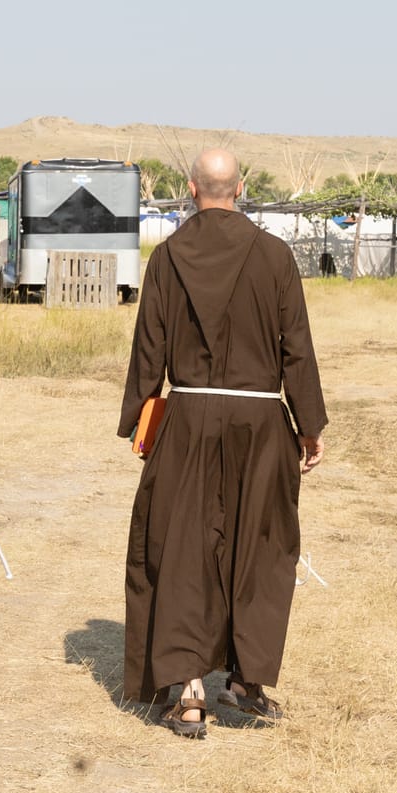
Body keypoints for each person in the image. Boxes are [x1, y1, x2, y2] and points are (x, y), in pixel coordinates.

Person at [119, 147, 327, 738]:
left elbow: (148, 349)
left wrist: (137, 414)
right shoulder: (275, 256)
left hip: (187, 419)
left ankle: (189, 691)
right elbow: (297, 348)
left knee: (182, 547)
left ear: (191, 189)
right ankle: (246, 678)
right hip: (261, 426)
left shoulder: (167, 256)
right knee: (258, 547)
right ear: (240, 188)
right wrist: (309, 425)